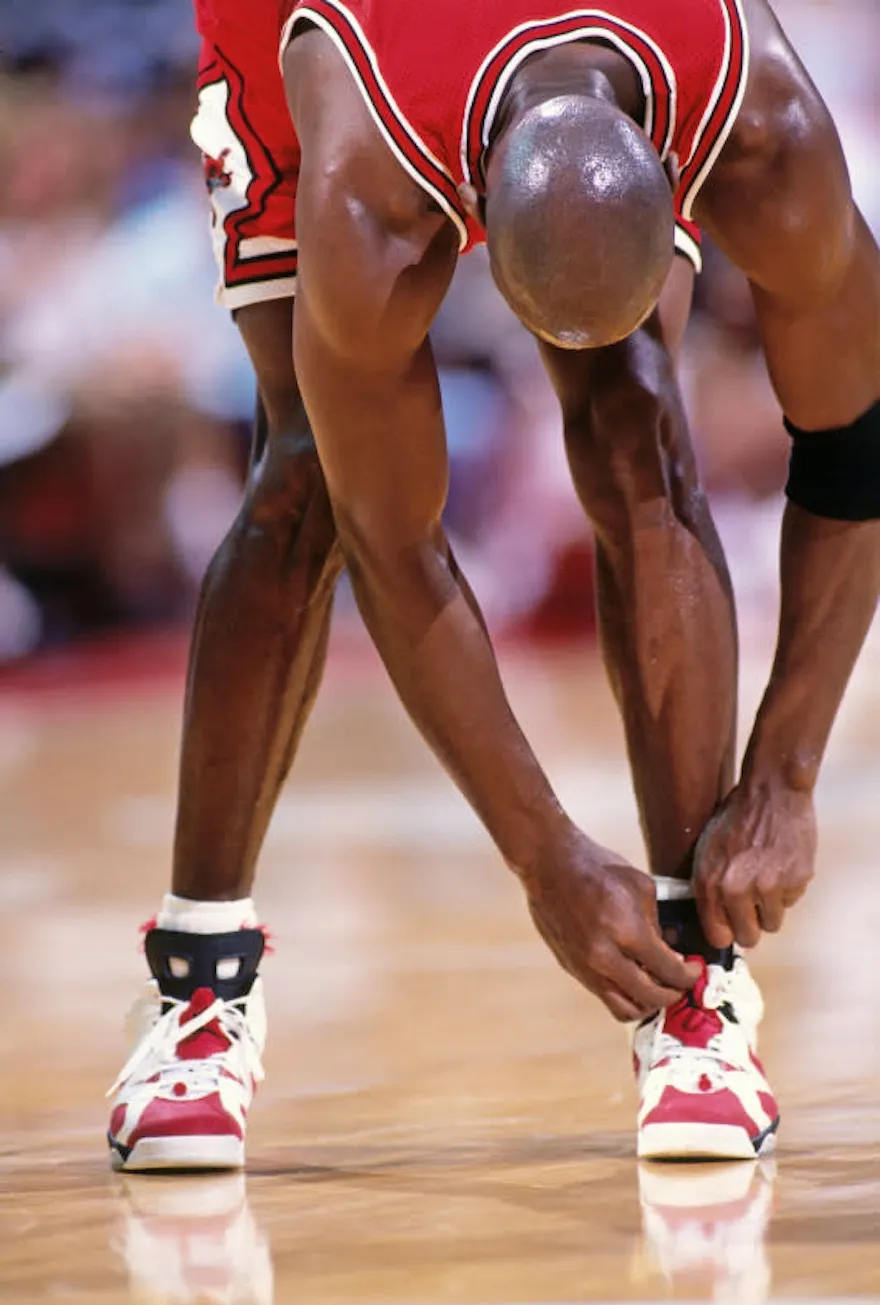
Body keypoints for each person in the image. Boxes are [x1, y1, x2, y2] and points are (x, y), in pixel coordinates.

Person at [107, 0, 880, 1171]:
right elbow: (396, 546)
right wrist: (546, 857)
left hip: (561, 76)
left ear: (674, 177)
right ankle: (198, 990)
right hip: (334, 40)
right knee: (309, 474)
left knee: (632, 416)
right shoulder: (366, 170)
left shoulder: (760, 108)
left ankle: (694, 982)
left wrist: (785, 775)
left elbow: (858, 444)